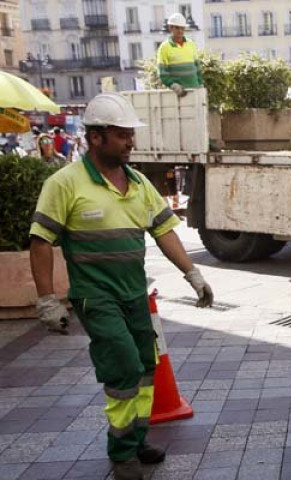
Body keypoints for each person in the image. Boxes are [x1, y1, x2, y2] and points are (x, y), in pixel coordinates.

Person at [29, 93, 214, 480]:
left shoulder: (138, 182)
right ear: (96, 138)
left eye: (131, 134)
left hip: (134, 293)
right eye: (122, 135)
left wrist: (193, 275)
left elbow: (164, 232)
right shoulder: (65, 183)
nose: (131, 142)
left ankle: (136, 437)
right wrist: (47, 300)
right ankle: (122, 452)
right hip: (96, 297)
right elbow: (41, 241)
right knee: (125, 367)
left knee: (146, 367)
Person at [156, 12, 203, 97]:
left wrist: (200, 84)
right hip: (177, 94)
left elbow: (198, 67)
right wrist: (173, 85)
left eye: (182, 28)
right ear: (170, 28)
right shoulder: (164, 47)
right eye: (177, 28)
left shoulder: (191, 44)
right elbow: (162, 73)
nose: (180, 31)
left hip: (194, 90)